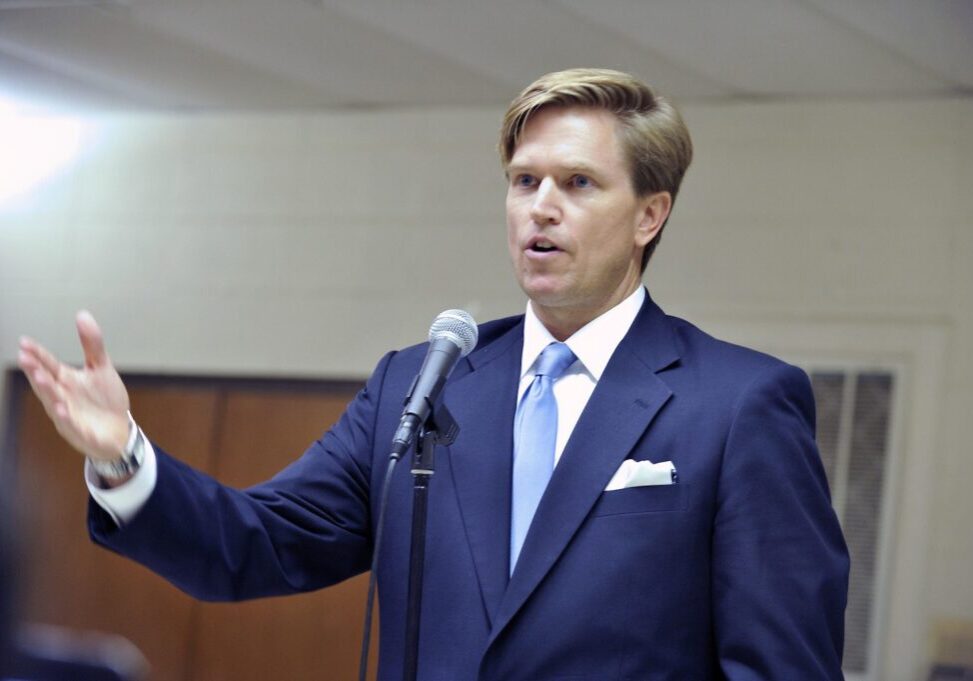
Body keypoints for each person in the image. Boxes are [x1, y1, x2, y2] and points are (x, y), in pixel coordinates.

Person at [18, 68, 849, 680]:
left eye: (578, 183)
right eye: (523, 182)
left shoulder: (736, 402)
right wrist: (124, 455)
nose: (541, 207)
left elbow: (781, 666)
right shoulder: (421, 386)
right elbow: (254, 545)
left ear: (649, 214)